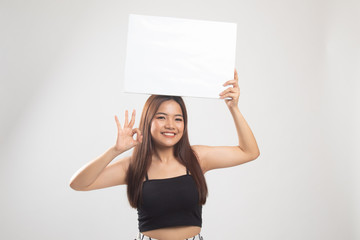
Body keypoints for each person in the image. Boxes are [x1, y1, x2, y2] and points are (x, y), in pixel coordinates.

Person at [69, 69, 260, 240]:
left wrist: (233, 108)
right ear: (148, 121)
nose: (170, 125)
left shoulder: (198, 158)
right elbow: (78, 184)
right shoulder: (133, 166)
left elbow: (249, 152)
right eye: (162, 117)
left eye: (178, 119)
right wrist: (115, 151)